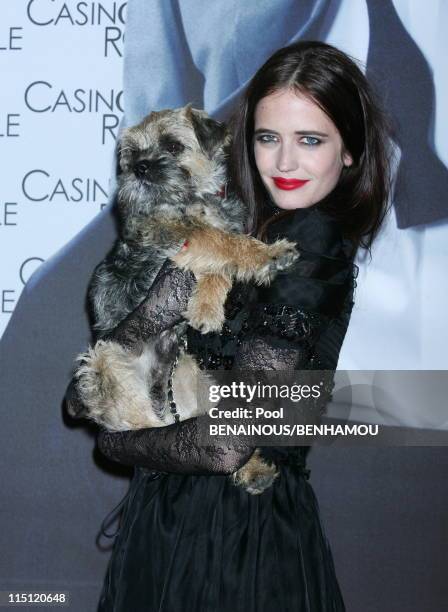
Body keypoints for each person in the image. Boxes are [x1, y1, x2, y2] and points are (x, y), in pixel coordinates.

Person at [80, 40, 392, 611]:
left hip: (236, 540)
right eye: (268, 138)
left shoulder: (314, 249)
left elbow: (226, 443)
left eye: (311, 140)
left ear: (350, 151)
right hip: (177, 525)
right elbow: (118, 353)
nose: (284, 162)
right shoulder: (243, 238)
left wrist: (120, 443)